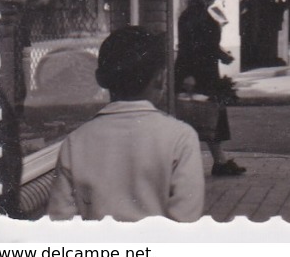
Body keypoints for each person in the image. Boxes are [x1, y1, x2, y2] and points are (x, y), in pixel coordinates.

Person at [47, 26, 206, 221]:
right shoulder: (181, 137)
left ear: (100, 79)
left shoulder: (75, 141)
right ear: (160, 78)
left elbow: (60, 220)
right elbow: (186, 219)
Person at [174, 0, 245, 176]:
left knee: (211, 117)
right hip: (194, 72)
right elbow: (188, 47)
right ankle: (206, 162)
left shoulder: (205, 14)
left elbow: (208, 44)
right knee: (197, 117)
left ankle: (220, 161)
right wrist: (188, 76)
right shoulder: (190, 16)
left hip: (207, 71)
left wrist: (222, 54)